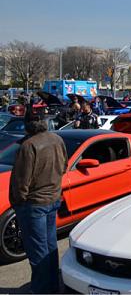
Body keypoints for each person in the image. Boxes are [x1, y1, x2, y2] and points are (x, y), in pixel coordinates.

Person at [9, 105, 68, 293]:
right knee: (49, 246)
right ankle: (51, 285)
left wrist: (19, 201)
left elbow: (21, 180)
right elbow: (64, 166)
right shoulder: (57, 139)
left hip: (34, 204)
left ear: (27, 124)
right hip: (52, 198)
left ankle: (42, 289)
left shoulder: (28, 145)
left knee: (38, 250)